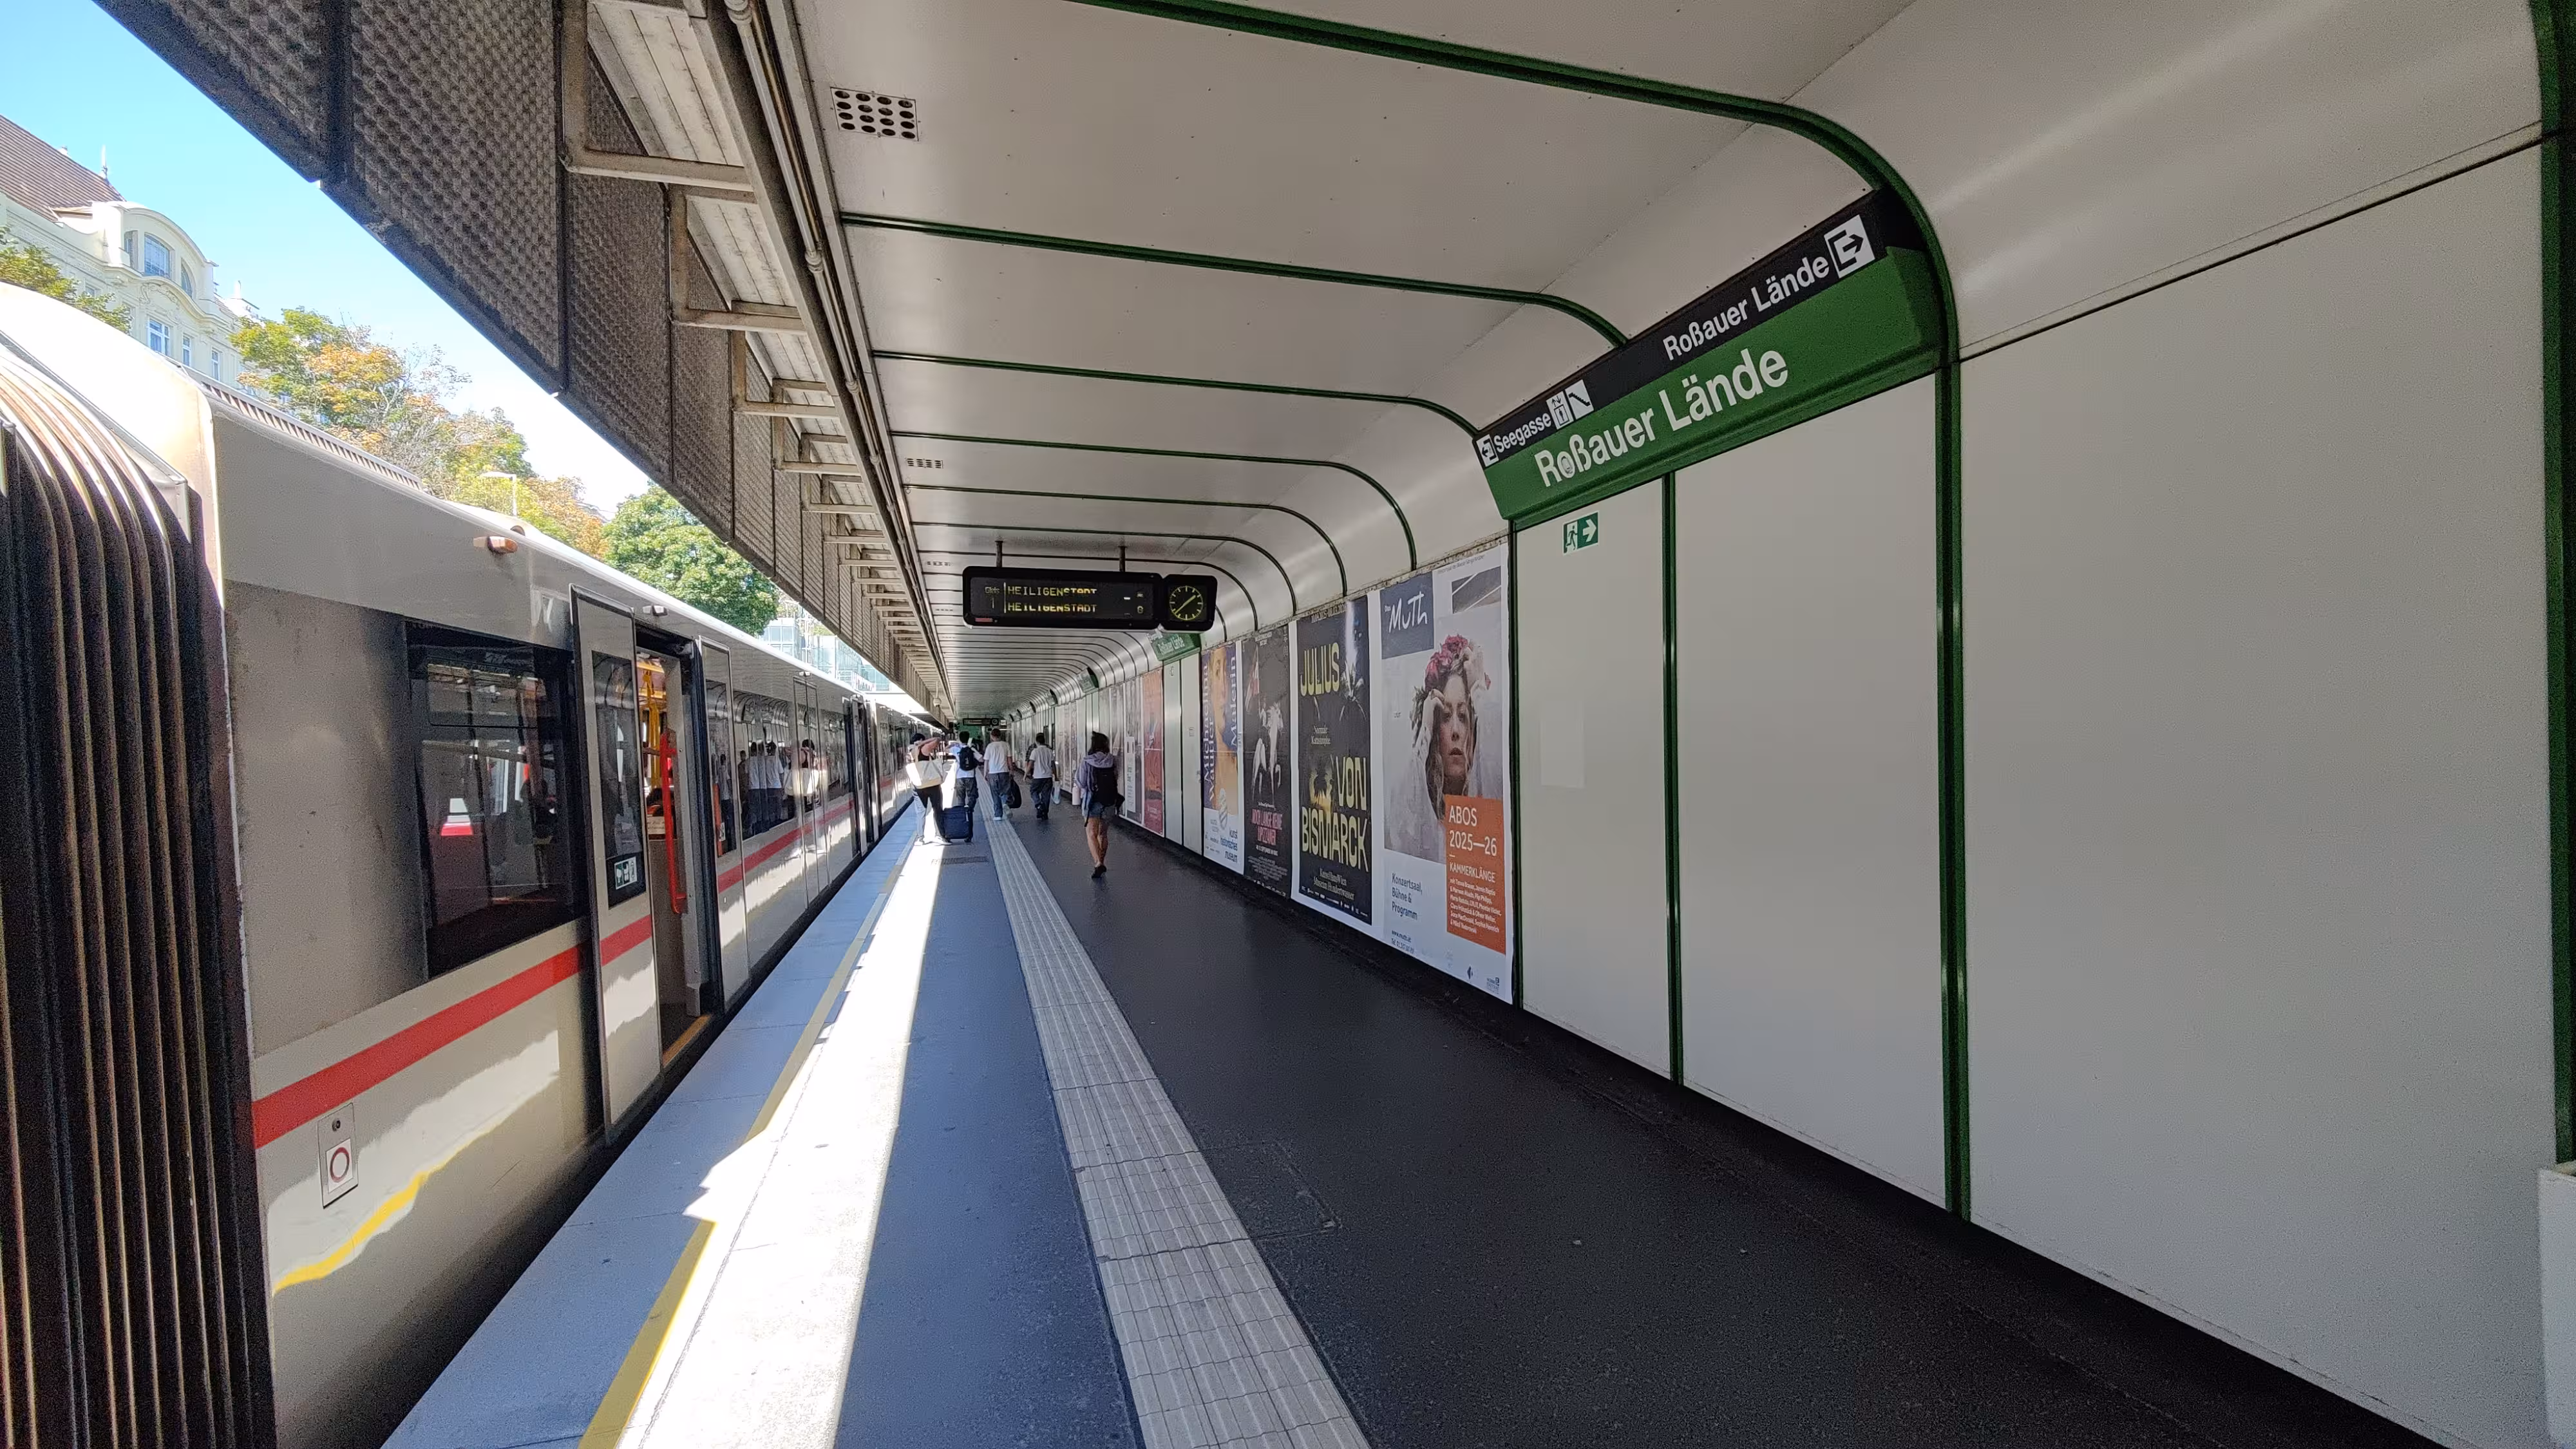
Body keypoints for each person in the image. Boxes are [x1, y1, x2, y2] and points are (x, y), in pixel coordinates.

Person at [1075, 730, 1120, 878]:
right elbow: (1116, 777)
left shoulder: (1087, 761)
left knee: (1091, 833)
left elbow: (1081, 782)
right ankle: (1102, 860)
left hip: (1092, 801)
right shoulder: (1112, 760)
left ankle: (1098, 863)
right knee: (1103, 834)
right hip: (1109, 801)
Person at [905, 734, 945, 842]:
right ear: (921, 740)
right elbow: (937, 740)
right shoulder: (924, 749)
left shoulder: (909, 753)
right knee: (937, 809)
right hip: (931, 784)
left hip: (917, 786)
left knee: (920, 812)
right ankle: (939, 835)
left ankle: (920, 838)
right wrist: (923, 743)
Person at [1027, 732, 1057, 822]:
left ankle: (1039, 805)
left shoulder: (1035, 751)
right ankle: (1045, 813)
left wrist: (1026, 775)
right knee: (1046, 795)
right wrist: (1056, 776)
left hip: (1037, 777)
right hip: (1048, 777)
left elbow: (1030, 764)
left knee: (1033, 791)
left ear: (1037, 741)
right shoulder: (1049, 751)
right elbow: (1053, 765)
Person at [983, 734, 1014, 818]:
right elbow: (1009, 759)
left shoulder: (990, 746)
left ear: (992, 737)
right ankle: (1004, 803)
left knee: (995, 793)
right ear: (1000, 736)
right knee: (1005, 790)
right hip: (1004, 772)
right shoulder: (1006, 745)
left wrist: (985, 773)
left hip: (992, 773)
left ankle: (998, 815)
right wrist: (1011, 770)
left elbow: (986, 761)